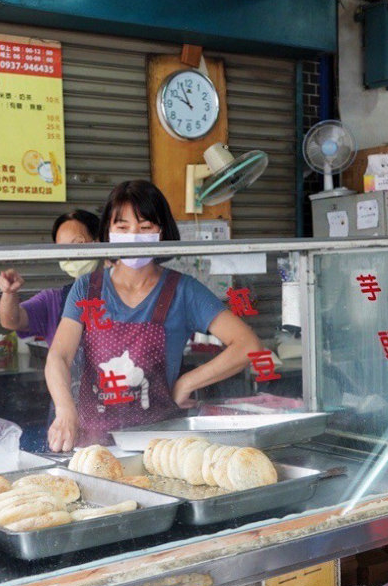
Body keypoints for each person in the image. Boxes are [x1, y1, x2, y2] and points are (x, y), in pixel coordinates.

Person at [44, 181, 262, 451]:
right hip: (93, 445)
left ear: (162, 232)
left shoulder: (183, 290)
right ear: (108, 232)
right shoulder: (87, 288)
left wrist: (187, 382)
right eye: (122, 227)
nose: (134, 235)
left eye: (145, 227)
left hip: (159, 445)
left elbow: (248, 345)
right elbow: (59, 356)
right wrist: (66, 411)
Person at [0, 209, 102, 341]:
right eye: (62, 249)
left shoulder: (123, 297)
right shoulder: (53, 301)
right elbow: (11, 321)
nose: (70, 255)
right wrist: (9, 293)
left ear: (100, 242)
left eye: (78, 244)